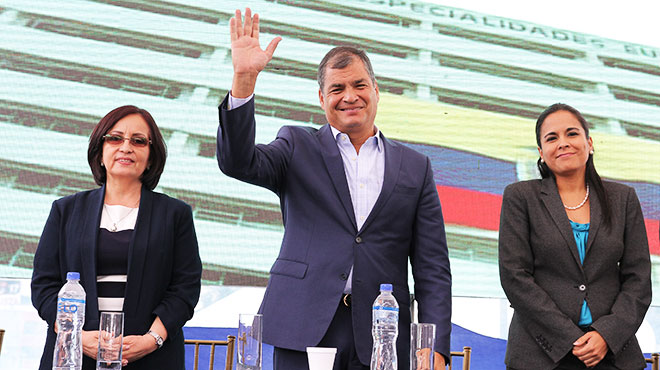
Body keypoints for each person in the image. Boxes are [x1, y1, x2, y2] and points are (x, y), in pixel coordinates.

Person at [216, 8, 451, 370]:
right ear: (321, 98)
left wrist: (433, 345)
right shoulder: (296, 145)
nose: (349, 96)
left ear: (376, 90)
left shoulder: (415, 167)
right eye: (337, 88)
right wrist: (244, 80)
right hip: (303, 325)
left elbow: (432, 266)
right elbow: (238, 162)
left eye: (359, 85)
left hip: (382, 337)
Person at [31, 105, 202, 369]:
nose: (126, 147)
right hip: (75, 354)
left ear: (151, 158)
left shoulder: (175, 214)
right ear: (100, 153)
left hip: (150, 356)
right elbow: (44, 285)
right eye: (115, 138)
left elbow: (185, 288)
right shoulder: (65, 210)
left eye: (138, 141)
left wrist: (151, 339)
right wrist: (74, 335)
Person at [498, 103, 652, 370]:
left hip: (612, 354)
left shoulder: (623, 198)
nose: (563, 143)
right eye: (551, 138)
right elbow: (514, 276)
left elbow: (638, 279)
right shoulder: (520, 197)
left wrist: (607, 334)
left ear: (589, 142)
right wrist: (570, 338)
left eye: (572, 134)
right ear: (541, 152)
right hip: (541, 355)